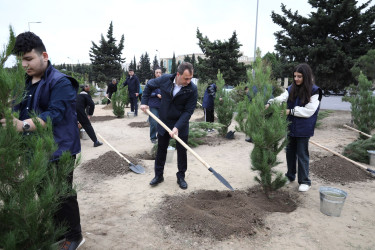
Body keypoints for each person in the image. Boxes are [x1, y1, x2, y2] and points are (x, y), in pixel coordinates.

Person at [1, 32, 84, 249]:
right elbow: (16, 110)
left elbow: (54, 114)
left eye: (28, 59)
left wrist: (23, 125)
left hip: (60, 149)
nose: (24, 64)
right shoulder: (25, 84)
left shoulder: (61, 82)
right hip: (34, 150)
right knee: (45, 192)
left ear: (44, 55)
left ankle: (74, 236)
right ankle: (59, 230)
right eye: (21, 60)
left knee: (62, 193)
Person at [140, 62, 198, 189]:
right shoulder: (165, 79)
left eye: (190, 78)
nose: (188, 81)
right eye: (186, 78)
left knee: (182, 151)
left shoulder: (192, 89)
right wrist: (144, 102)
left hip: (180, 123)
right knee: (161, 149)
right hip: (164, 121)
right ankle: (158, 175)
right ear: (178, 74)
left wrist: (177, 127)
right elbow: (149, 85)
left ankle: (181, 176)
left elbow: (188, 111)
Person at [266, 63, 322, 192]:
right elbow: (282, 97)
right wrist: (270, 103)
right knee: (290, 153)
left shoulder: (315, 91)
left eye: (299, 76)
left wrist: (290, 111)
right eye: (295, 76)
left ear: (306, 77)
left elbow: (309, 111)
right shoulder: (291, 88)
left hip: (304, 128)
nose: (296, 79)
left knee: (302, 154)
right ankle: (290, 176)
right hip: (291, 126)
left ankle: (305, 181)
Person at [148, 67, 162, 144]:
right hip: (153, 104)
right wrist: (156, 94)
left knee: (162, 122)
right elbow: (148, 93)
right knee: (153, 122)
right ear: (154, 73)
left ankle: (161, 136)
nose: (158, 74)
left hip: (162, 105)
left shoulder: (164, 82)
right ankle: (153, 137)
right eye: (157, 72)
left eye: (159, 72)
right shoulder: (151, 82)